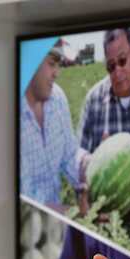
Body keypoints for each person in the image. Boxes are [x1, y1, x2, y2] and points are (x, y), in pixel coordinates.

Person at [77, 27, 130, 219]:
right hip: (106, 216)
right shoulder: (94, 100)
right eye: (111, 66)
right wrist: (88, 161)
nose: (117, 71)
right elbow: (76, 153)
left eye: (122, 61)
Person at [19, 41, 90, 213]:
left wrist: (97, 165)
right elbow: (25, 199)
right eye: (51, 63)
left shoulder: (57, 99)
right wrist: (73, 215)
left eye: (58, 64)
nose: (57, 73)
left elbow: (70, 155)